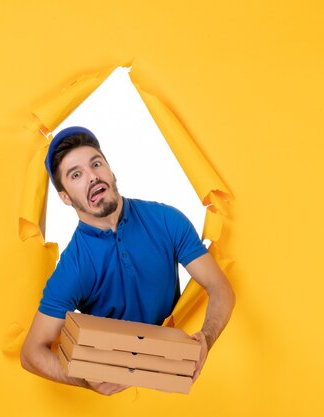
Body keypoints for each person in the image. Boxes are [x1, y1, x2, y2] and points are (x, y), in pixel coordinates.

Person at [20, 126, 235, 396]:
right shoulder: (74, 266)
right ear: (65, 197)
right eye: (76, 175)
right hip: (121, 392)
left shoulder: (167, 220)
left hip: (178, 375)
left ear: (110, 171)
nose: (92, 177)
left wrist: (207, 337)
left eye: (96, 164)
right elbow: (31, 353)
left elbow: (219, 286)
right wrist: (85, 380)